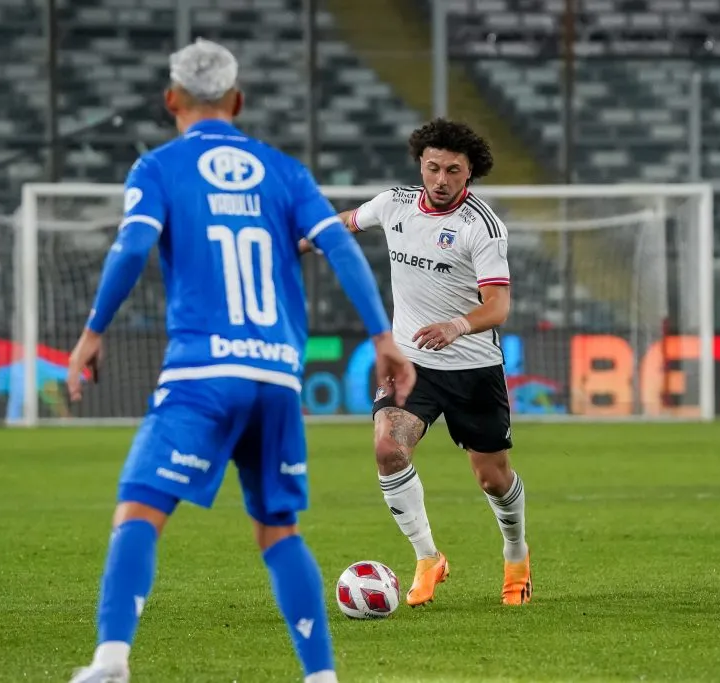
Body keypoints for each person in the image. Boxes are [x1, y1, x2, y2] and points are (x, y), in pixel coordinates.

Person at [66, 38, 415, 683]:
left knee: (139, 510)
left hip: (202, 374)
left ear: (170, 98)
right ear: (238, 100)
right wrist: (381, 336)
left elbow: (131, 249)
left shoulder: (159, 167)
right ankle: (321, 677)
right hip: (277, 378)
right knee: (278, 531)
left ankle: (112, 659)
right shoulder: (285, 172)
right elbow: (339, 247)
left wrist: (92, 331)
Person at [301, 118, 531, 607]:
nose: (441, 179)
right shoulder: (394, 204)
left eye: (453, 170)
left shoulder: (482, 227)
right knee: (388, 448)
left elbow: (498, 307)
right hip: (411, 362)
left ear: (469, 174)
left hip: (472, 368)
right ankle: (428, 557)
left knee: (493, 477)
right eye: (433, 168)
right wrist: (300, 240)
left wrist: (456, 325)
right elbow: (346, 224)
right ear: (420, 166)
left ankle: (516, 553)